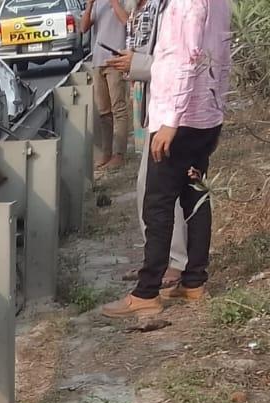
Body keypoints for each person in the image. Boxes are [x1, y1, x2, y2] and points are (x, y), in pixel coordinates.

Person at [102, 0, 231, 319]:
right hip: (206, 114)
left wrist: (170, 121)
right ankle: (194, 282)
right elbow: (222, 56)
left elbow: (186, 60)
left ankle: (146, 292)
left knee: (157, 204)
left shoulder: (186, 3)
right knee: (194, 196)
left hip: (180, 118)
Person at [108, 0, 185, 292]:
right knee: (148, 188)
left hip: (174, 113)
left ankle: (174, 262)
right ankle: (157, 258)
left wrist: (137, 63)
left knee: (164, 190)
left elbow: (184, 63)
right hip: (159, 107)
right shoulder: (156, 7)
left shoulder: (178, 8)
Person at [83, 0, 133, 171]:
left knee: (118, 108)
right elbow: (83, 28)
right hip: (98, 60)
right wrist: (89, 5)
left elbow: (127, 21)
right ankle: (106, 152)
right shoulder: (97, 4)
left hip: (116, 59)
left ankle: (119, 154)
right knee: (104, 112)